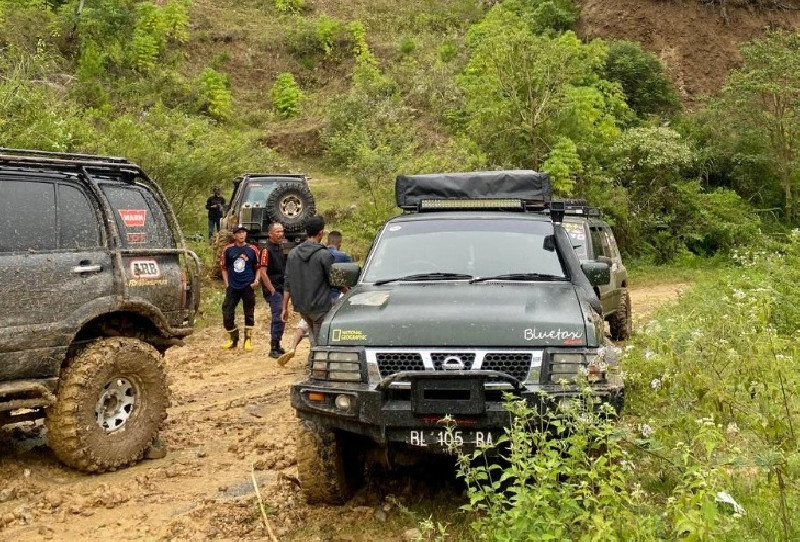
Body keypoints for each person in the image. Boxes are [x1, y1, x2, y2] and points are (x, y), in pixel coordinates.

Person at [279, 216, 334, 365]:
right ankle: (316, 369)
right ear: (321, 233)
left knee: (314, 337)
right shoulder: (324, 254)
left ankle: (314, 364)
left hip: (302, 307)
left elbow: (288, 281)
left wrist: (284, 307)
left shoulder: (292, 254)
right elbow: (334, 280)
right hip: (320, 307)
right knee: (320, 342)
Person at [220, 226, 260, 352]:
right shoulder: (228, 250)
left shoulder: (252, 249)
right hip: (233, 286)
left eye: (243, 232)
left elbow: (258, 267)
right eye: (239, 233)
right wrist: (227, 284)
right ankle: (233, 338)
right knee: (227, 311)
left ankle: (248, 340)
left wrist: (256, 280)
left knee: (249, 312)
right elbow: (224, 268)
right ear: (234, 236)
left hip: (248, 285)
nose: (242, 235)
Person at [258, 222, 287, 359]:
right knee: (278, 315)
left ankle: (278, 343)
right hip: (273, 288)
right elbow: (262, 272)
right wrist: (270, 288)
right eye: (277, 232)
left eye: (281, 231)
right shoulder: (266, 250)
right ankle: (273, 347)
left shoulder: (281, 247)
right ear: (270, 234)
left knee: (282, 316)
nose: (280, 234)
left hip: (282, 286)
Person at [326, 230, 353, 300]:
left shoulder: (317, 254)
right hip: (335, 296)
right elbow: (351, 278)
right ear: (340, 244)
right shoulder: (344, 256)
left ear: (327, 242)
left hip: (318, 297)